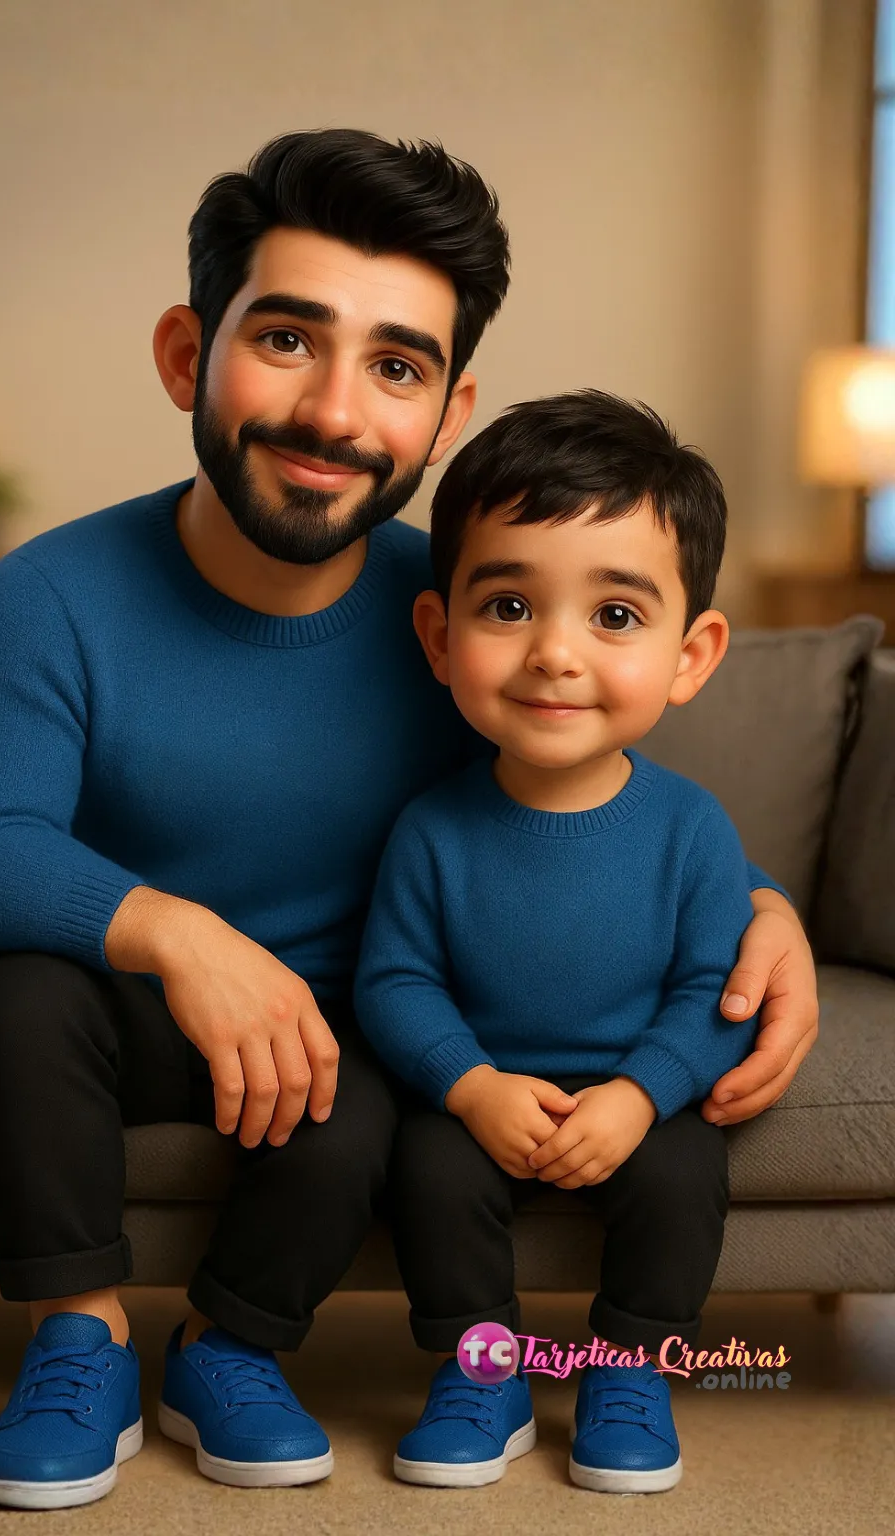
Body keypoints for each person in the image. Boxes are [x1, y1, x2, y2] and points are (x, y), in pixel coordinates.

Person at [0, 130, 817, 1512]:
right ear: (187, 355)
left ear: (448, 414)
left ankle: (224, 1349)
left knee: (363, 1111)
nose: (334, 411)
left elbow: (582, 786)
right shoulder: (44, 598)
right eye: (286, 339)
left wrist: (765, 909)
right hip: (127, 1017)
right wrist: (184, 938)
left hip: (347, 1053)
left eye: (396, 367)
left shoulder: (467, 618)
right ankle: (77, 1346)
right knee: (12, 1003)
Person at [354, 390, 769, 1495]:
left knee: (685, 1172)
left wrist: (639, 1095)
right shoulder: (431, 829)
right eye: (507, 607)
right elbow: (394, 980)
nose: (553, 654)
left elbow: (714, 989)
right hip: (486, 1090)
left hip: (638, 1094)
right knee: (427, 1166)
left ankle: (629, 1371)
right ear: (439, 636)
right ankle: (479, 1373)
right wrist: (470, 1084)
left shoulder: (692, 829)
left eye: (615, 616)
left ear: (691, 655)